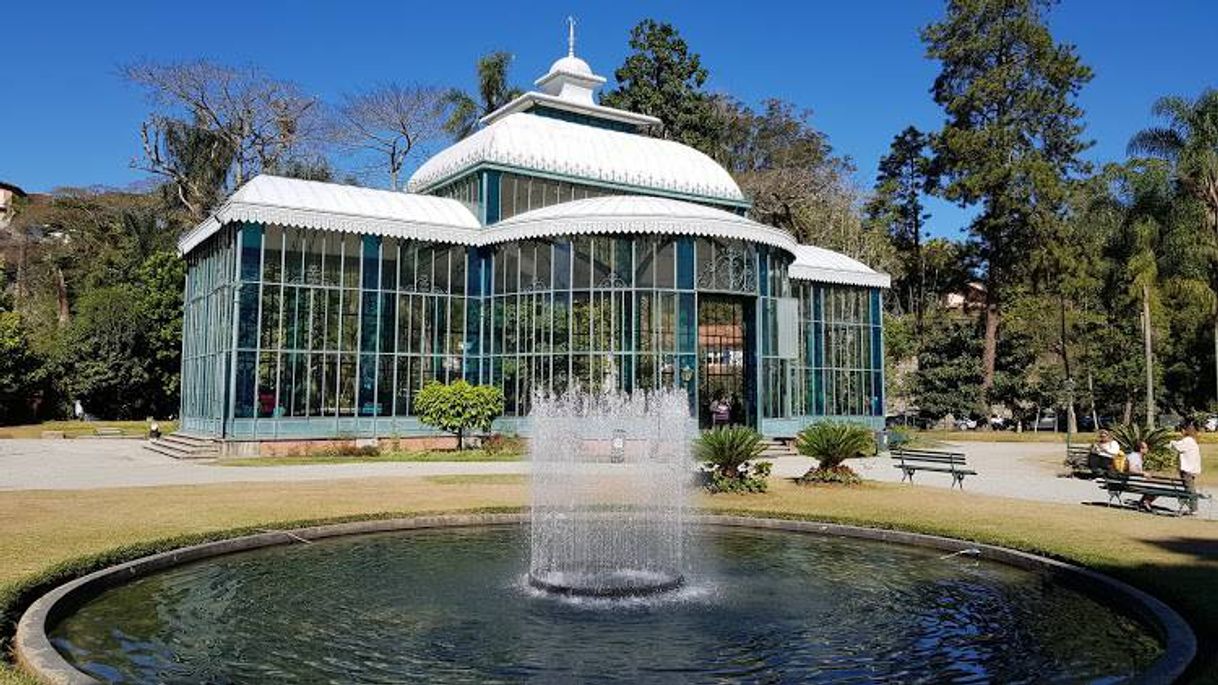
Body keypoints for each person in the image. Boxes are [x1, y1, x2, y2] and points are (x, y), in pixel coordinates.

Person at [1141, 421, 1203, 514]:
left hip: (1187, 470)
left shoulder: (1187, 441)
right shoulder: (1192, 441)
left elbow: (1178, 447)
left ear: (1184, 430)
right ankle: (1193, 508)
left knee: (1190, 489)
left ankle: (1194, 509)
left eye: (1181, 430)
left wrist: (1171, 442)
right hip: (1192, 469)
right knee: (1189, 488)